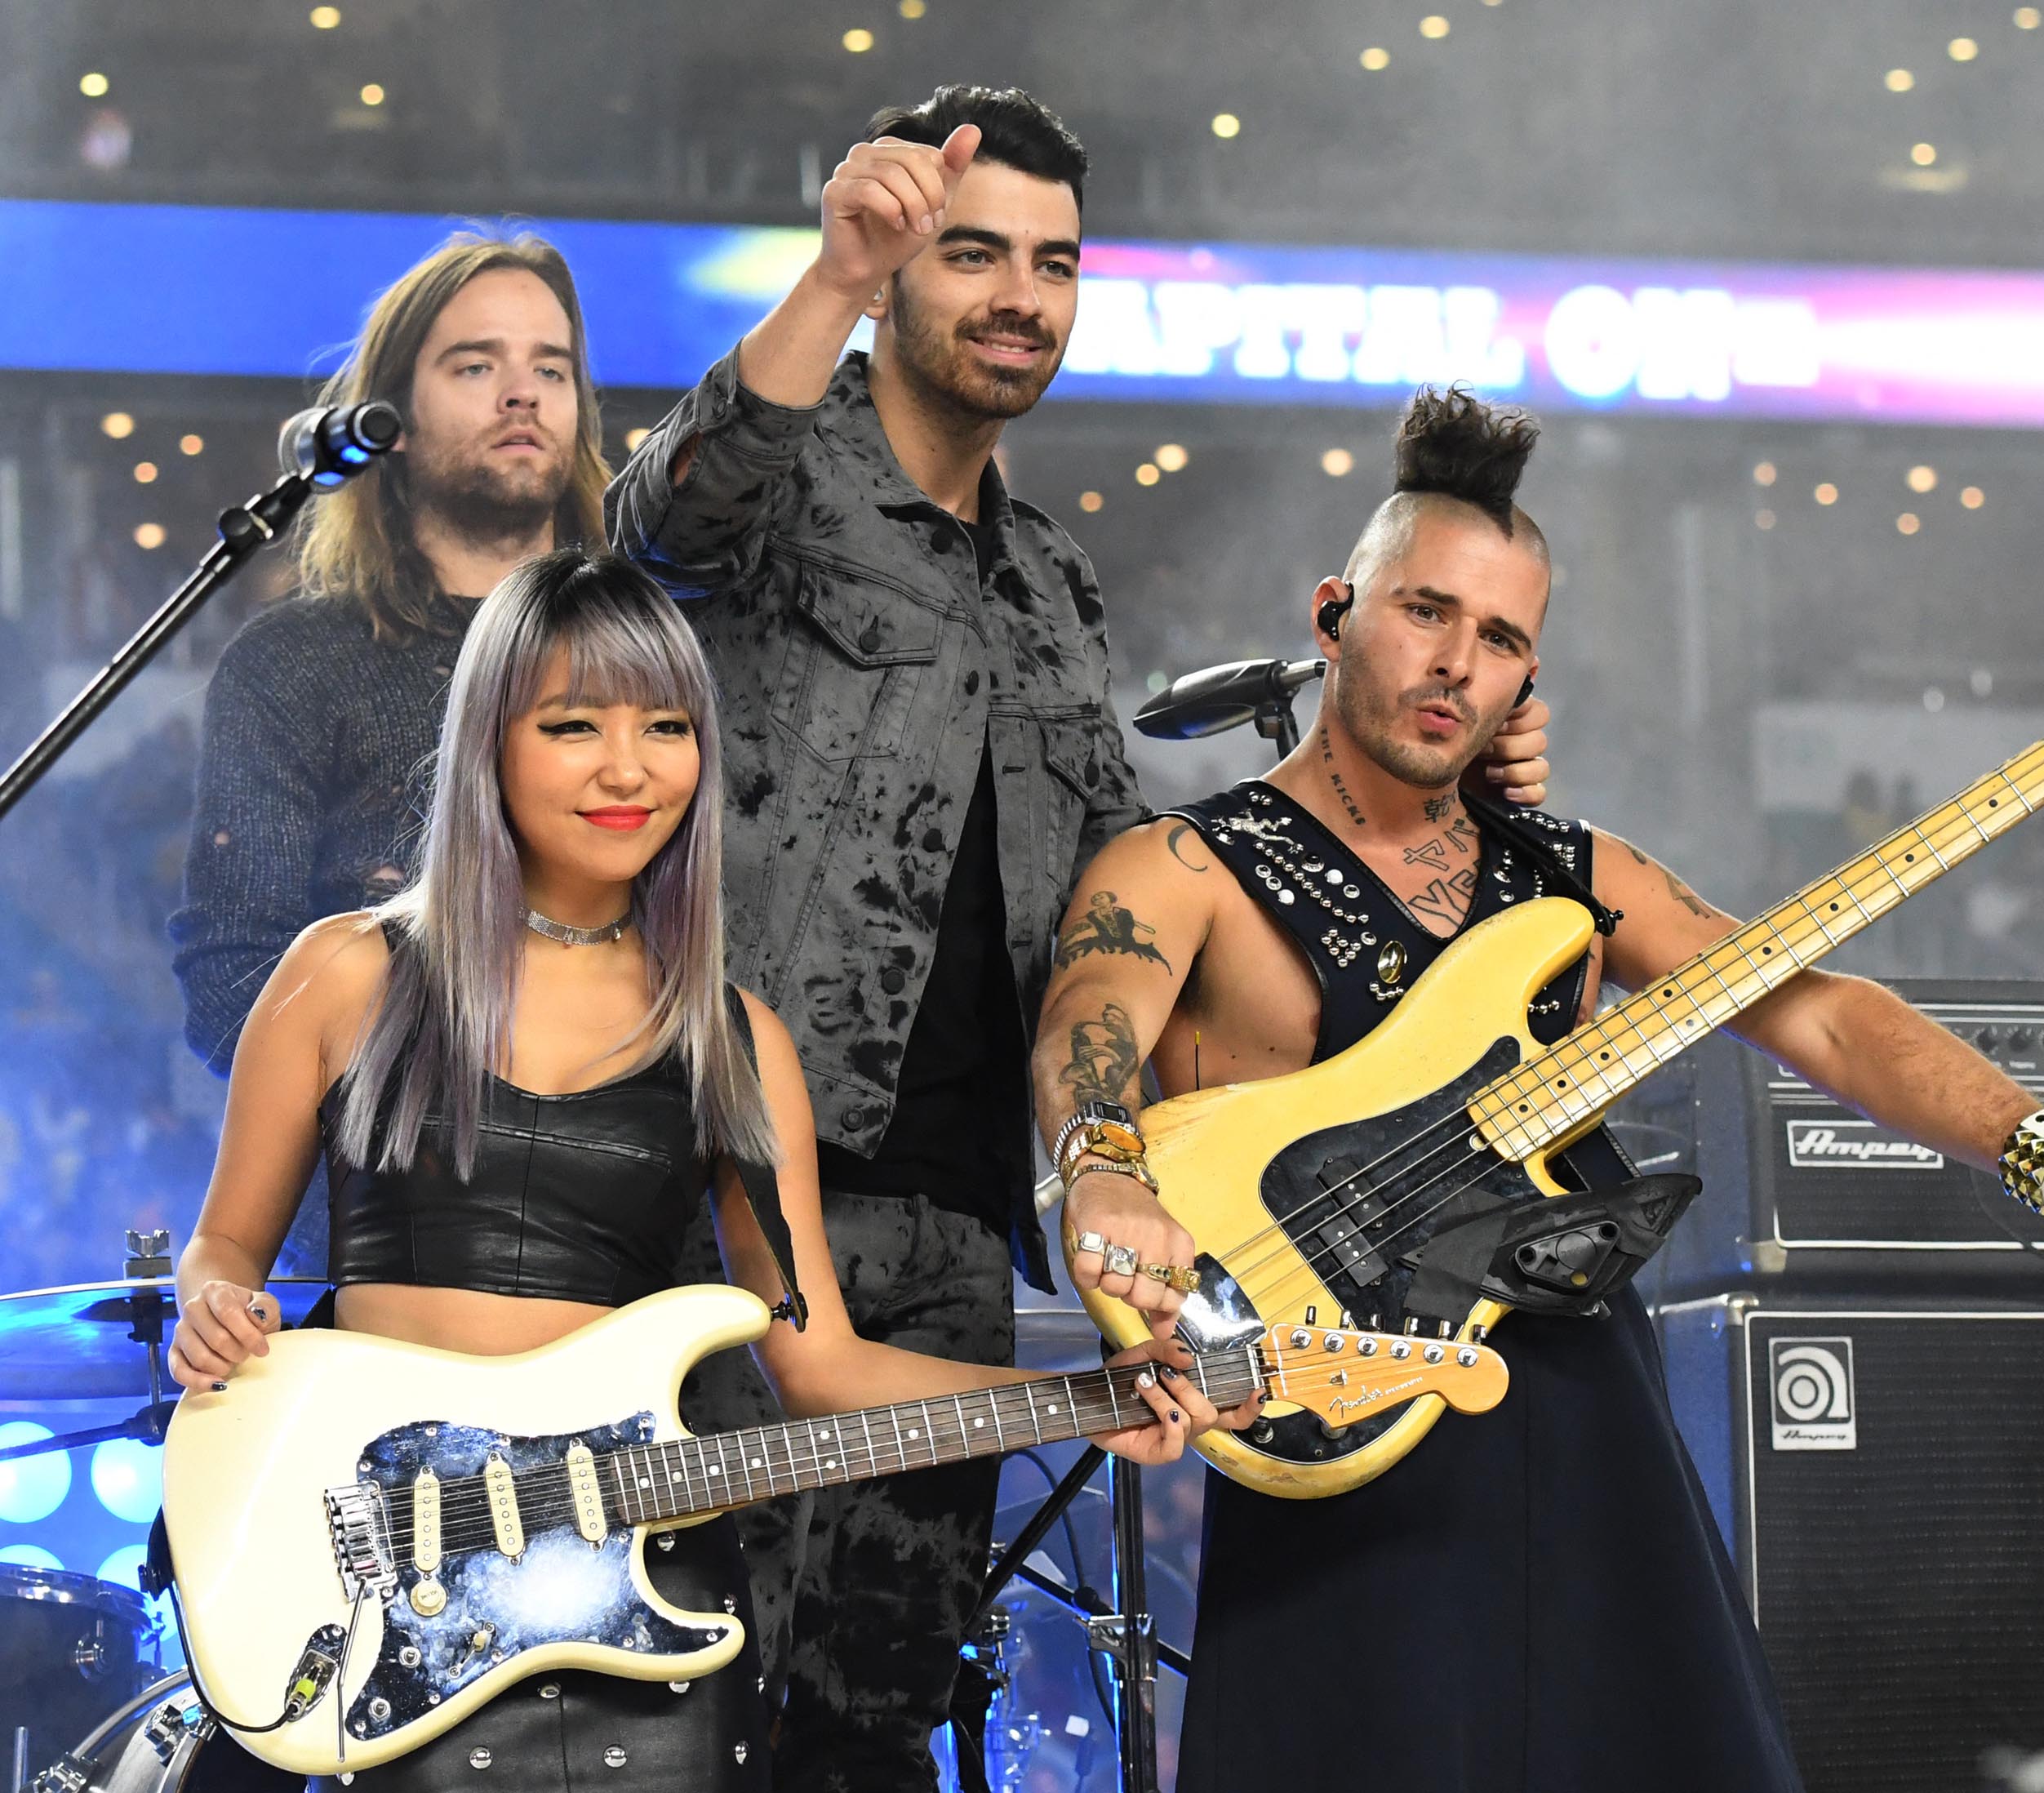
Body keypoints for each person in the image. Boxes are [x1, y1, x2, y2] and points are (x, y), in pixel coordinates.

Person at [1029, 386, 2044, 1792]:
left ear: (1528, 678)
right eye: (1425, 612)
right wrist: (1103, 1166)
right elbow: (1088, 1023)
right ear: (1334, 611)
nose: (1456, 664)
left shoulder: (1576, 876)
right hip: (1340, 1434)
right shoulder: (1179, 865)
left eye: (1502, 640)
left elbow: (1827, 1015)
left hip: (1587, 1427)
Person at [606, 84, 1552, 1791]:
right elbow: (654, 530)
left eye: (1052, 262)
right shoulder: (782, 482)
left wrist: (1399, 773)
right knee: (668, 1701)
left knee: (877, 1717)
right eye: (971, 255)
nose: (1019, 296)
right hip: (728, 1191)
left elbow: (1115, 886)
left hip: (965, 1225)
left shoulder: (1047, 576)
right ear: (900, 278)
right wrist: (829, 276)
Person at [164, 549, 1219, 1793]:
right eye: (573, 725)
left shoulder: (733, 1040)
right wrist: (212, 1300)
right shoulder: (345, 973)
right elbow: (224, 1245)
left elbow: (817, 1362)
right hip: (369, 1578)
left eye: (666, 727)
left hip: (626, 1618)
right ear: (490, 741)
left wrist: (1091, 1400)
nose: (629, 769)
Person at [170, 233, 610, 1278]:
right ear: (391, 424)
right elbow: (237, 971)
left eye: (551, 368)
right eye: (476, 365)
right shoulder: (296, 663)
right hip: (386, 1242)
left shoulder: (643, 649)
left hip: (635, 1237)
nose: (522, 394)